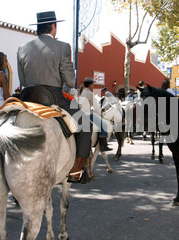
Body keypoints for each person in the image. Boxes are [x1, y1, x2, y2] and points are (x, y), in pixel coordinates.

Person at [17, 11, 91, 183]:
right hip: (53, 99)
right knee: (86, 124)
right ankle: (76, 169)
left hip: (27, 100)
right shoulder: (63, 47)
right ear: (53, 27)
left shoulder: (22, 48)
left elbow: (22, 81)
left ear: (38, 28)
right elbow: (71, 82)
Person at [78, 77, 112, 152]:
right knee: (103, 125)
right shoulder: (90, 93)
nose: (93, 86)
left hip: (80, 113)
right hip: (87, 114)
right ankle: (103, 145)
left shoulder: (82, 92)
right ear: (90, 85)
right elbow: (96, 106)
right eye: (93, 84)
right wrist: (101, 114)